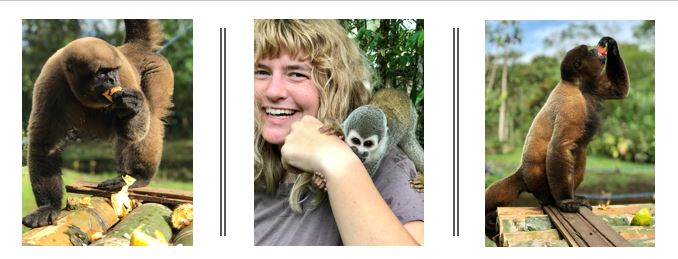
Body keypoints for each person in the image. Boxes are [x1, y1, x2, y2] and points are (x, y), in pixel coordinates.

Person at [254, 19, 424, 246]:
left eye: (296, 74)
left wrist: (337, 161)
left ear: (336, 86)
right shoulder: (254, 163)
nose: (273, 91)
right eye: (261, 72)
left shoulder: (387, 166)